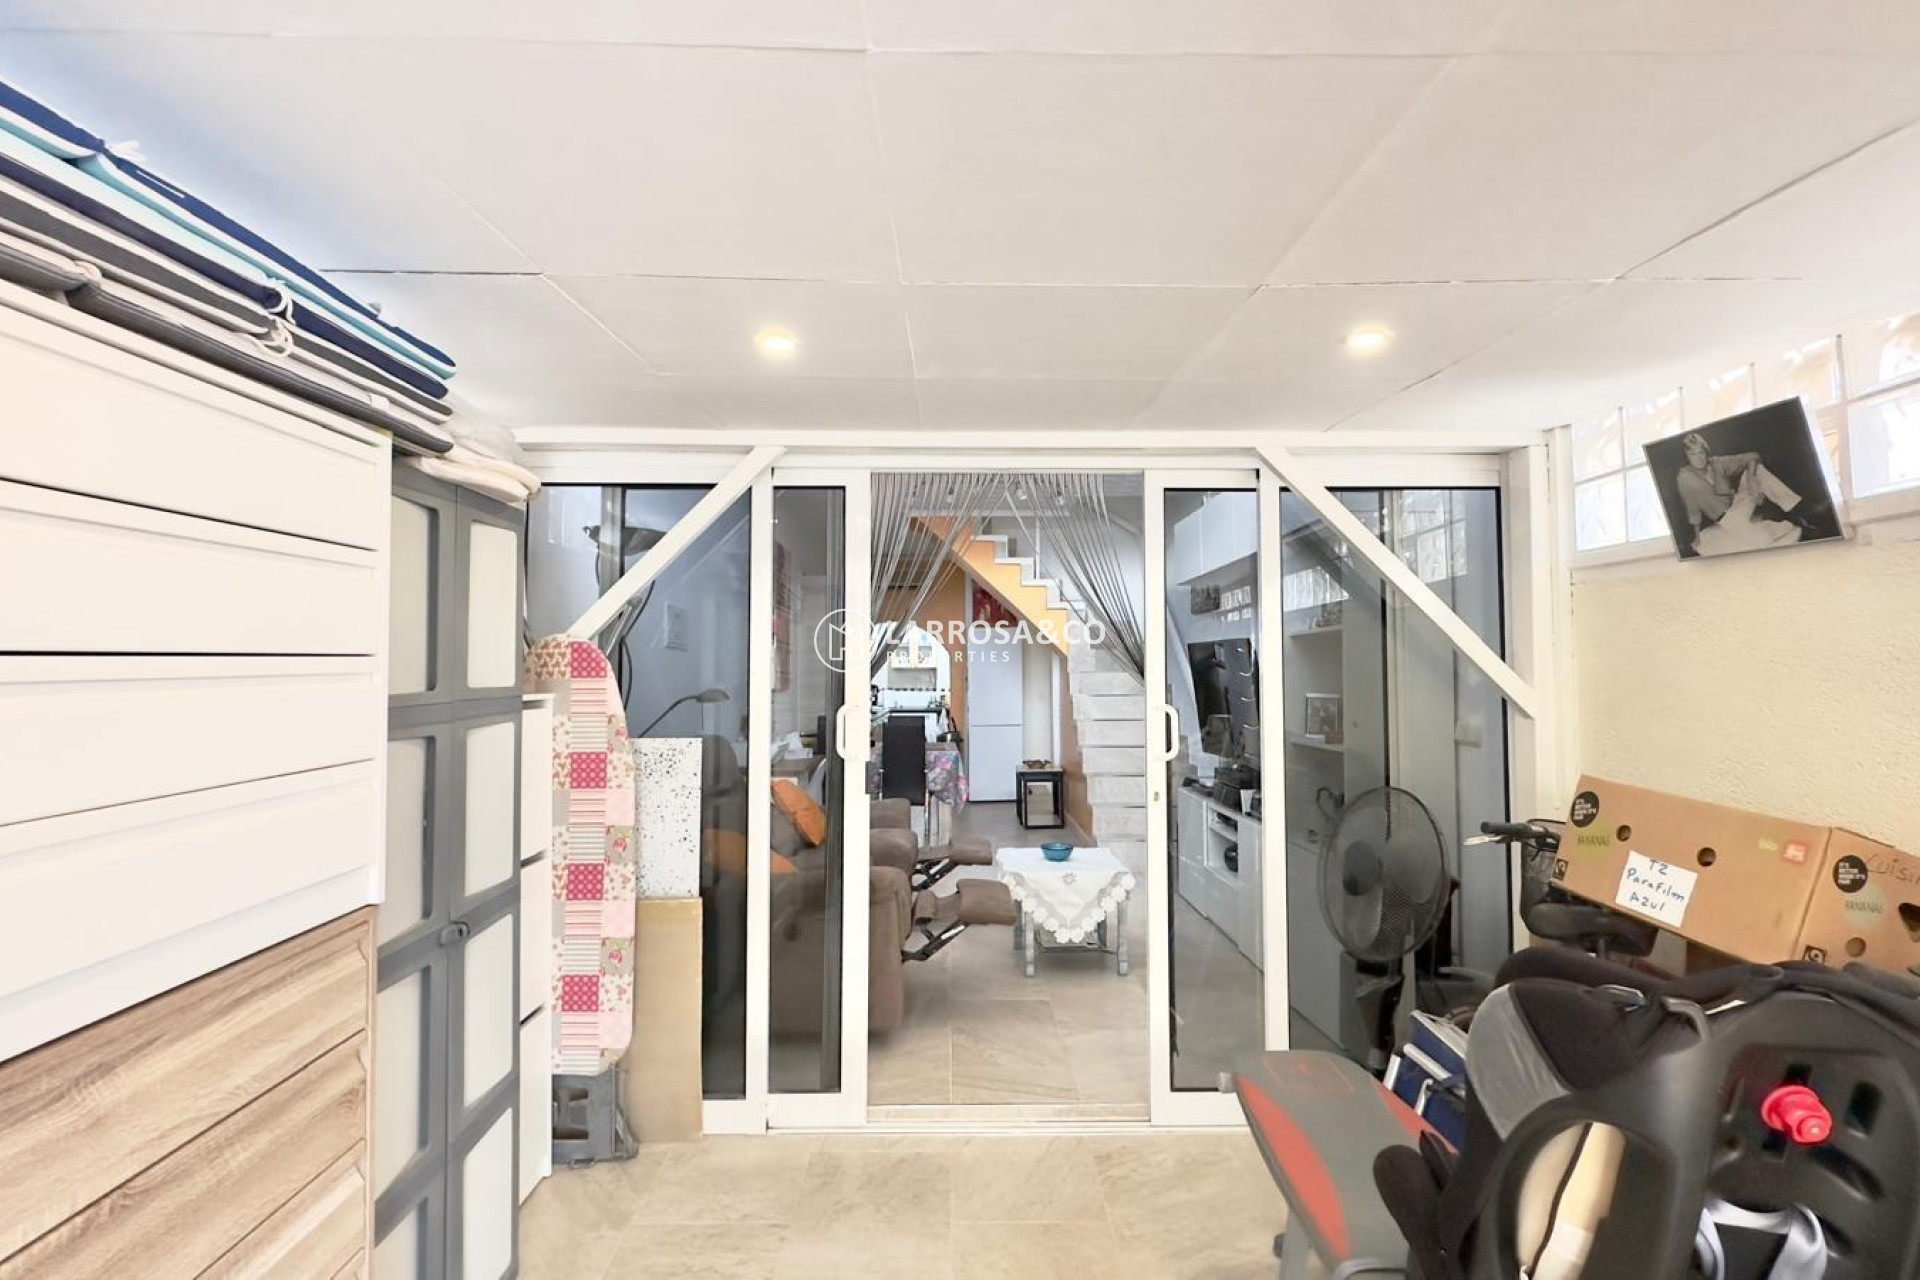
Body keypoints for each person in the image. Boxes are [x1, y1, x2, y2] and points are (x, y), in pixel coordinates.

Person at [1673, 431, 1809, 556]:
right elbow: (1692, 508)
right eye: (1692, 454)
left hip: (1738, 501)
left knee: (1758, 470)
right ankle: (1785, 524)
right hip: (1726, 518)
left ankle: (1799, 512)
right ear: (1687, 456)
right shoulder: (1685, 477)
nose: (1698, 458)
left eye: (1700, 452)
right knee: (1764, 540)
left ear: (1706, 452)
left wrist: (1751, 480)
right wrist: (1697, 536)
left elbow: (1753, 456)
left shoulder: (1716, 462)